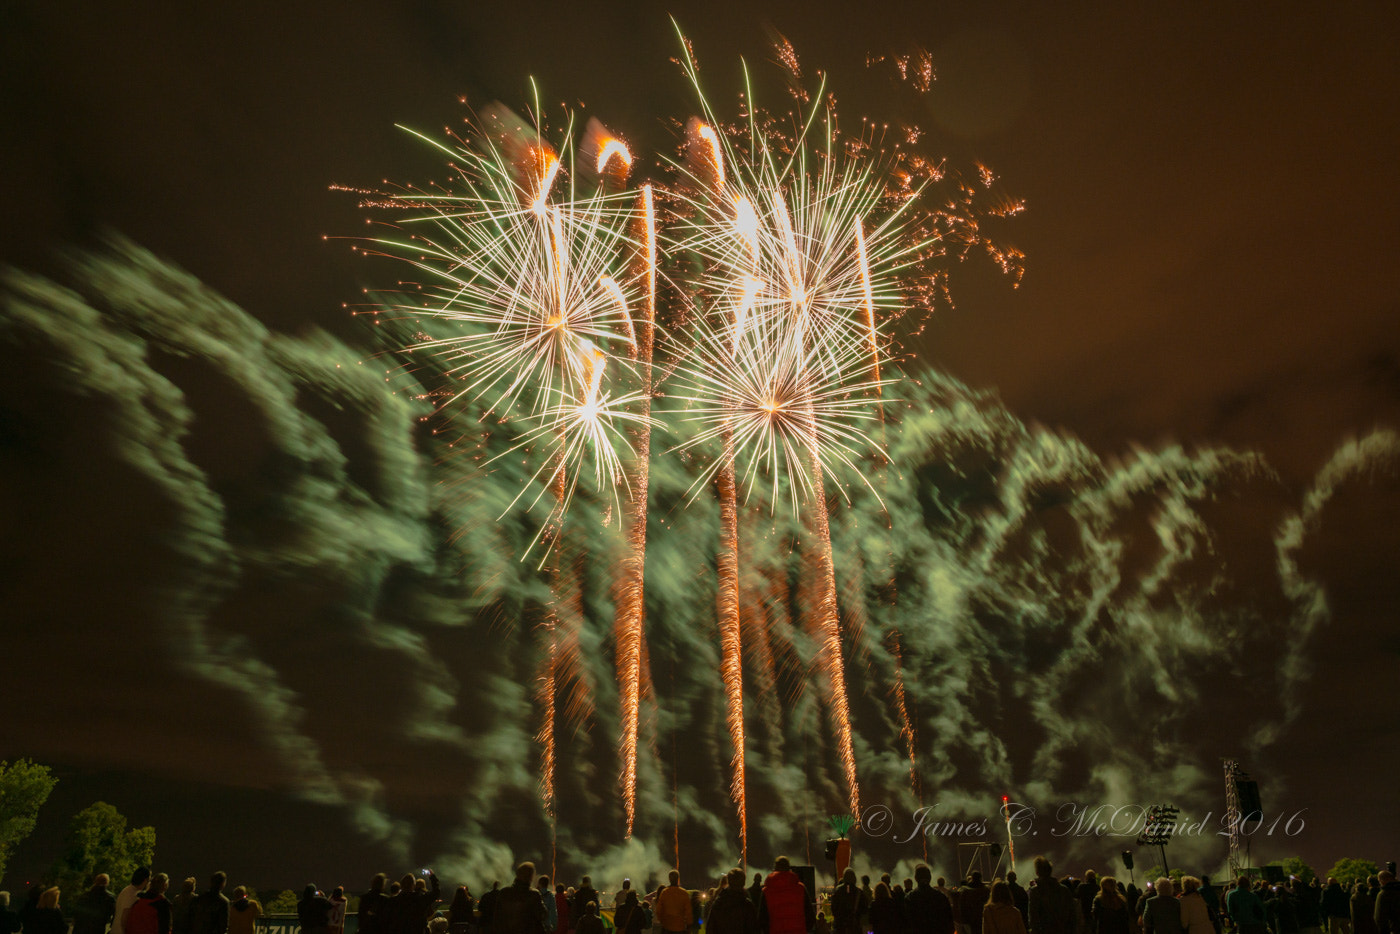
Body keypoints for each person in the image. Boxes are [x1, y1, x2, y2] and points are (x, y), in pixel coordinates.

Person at [759, 858, 813, 934]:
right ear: (789, 868)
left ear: (775, 868)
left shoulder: (766, 891)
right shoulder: (801, 888)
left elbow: (762, 919)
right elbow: (810, 916)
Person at [493, 862, 547, 934]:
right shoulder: (534, 894)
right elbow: (542, 915)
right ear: (530, 877)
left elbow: (497, 919)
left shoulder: (504, 893)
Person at [1027, 859, 1076, 934]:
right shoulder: (1064, 890)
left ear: (1037, 872)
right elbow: (1072, 916)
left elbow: (1034, 919)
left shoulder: (1035, 892)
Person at [706, 869, 759, 934]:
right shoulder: (747, 906)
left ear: (729, 882)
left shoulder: (719, 903)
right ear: (743, 883)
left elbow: (710, 928)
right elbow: (754, 929)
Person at [905, 865, 954, 934]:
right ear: (930, 878)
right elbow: (949, 922)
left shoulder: (909, 898)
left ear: (915, 878)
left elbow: (906, 923)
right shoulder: (941, 897)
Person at [116, 870, 154, 934]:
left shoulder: (127, 890)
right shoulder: (133, 894)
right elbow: (124, 918)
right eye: (149, 880)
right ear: (145, 880)